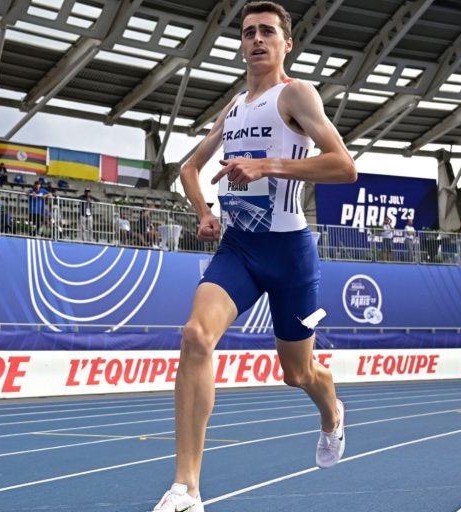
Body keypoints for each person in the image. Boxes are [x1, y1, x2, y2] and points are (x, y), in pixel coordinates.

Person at [150, 3, 357, 510]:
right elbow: (188, 167)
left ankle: (332, 413)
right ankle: (187, 488)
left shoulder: (296, 94)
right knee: (196, 336)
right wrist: (203, 213)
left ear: (286, 44)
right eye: (248, 33)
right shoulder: (235, 108)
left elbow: (343, 166)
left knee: (297, 373)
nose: (257, 40)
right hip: (239, 248)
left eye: (268, 32)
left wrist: (265, 164)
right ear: (241, 44)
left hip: (291, 255)